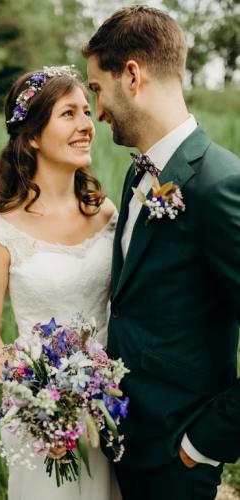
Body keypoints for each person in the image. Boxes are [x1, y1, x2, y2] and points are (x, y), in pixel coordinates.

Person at [83, 5, 240, 500]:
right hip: (129, 441)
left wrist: (203, 442)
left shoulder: (219, 184)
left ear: (131, 75)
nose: (96, 109)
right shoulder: (137, 174)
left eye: (95, 90)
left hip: (178, 453)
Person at [0, 66, 122, 500]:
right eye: (68, 114)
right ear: (33, 136)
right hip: (44, 421)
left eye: (86, 112)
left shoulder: (106, 212)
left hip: (110, 408)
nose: (86, 126)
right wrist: (41, 402)